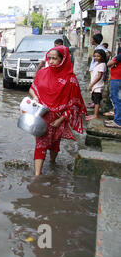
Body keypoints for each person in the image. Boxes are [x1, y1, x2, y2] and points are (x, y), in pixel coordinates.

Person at [29, 45, 87, 176]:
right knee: (41, 143)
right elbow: (32, 88)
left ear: (63, 59)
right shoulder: (42, 73)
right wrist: (35, 97)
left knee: (55, 144)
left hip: (59, 118)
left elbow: (72, 104)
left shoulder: (70, 79)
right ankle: (37, 175)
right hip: (42, 115)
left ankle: (52, 162)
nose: (50, 61)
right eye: (48, 58)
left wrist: (60, 120)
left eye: (54, 59)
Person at [86, 49, 107, 121]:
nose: (96, 58)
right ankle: (95, 113)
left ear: (102, 56)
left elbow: (99, 76)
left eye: (98, 56)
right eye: (95, 56)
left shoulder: (102, 65)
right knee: (95, 100)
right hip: (96, 85)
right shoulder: (98, 64)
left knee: (97, 101)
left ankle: (95, 115)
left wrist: (92, 84)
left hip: (98, 85)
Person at [104, 52, 121, 129]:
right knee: (116, 100)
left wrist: (112, 63)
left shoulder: (119, 56)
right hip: (117, 79)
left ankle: (118, 121)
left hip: (117, 79)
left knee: (116, 100)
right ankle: (116, 120)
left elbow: (108, 64)